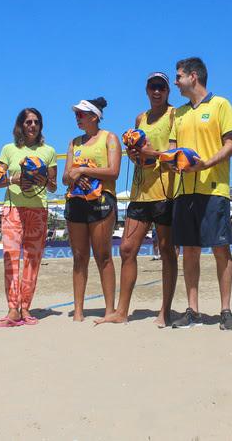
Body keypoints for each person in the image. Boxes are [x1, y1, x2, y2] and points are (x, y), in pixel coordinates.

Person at [95, 72, 178, 327]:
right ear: (146, 89)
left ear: (167, 91)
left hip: (166, 191)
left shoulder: (175, 115)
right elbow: (140, 155)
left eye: (161, 88)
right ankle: (122, 311)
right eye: (153, 87)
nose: (157, 92)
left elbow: (173, 153)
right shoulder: (140, 118)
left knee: (167, 252)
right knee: (127, 249)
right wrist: (134, 155)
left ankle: (165, 311)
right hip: (140, 193)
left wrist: (149, 153)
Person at [168, 57, 232, 330]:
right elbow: (174, 149)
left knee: (221, 249)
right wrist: (171, 161)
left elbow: (231, 145)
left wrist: (206, 164)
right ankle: (192, 310)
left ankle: (226, 311)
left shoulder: (221, 104)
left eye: (178, 77)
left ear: (193, 76)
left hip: (214, 188)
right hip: (184, 190)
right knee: (190, 251)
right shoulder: (180, 113)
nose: (175, 82)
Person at [0, 107, 57, 327]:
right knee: (10, 258)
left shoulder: (48, 151)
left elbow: (53, 185)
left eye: (36, 122)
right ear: (20, 125)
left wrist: (42, 180)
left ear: (41, 126)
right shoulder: (8, 149)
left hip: (38, 210)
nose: (32, 126)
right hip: (13, 209)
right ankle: (13, 308)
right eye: (28, 122)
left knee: (32, 260)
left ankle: (26, 307)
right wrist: (15, 178)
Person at [63, 97, 120, 321]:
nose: (77, 118)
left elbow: (113, 171)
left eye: (81, 114)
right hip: (76, 200)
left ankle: (109, 310)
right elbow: (66, 177)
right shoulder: (74, 142)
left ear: (94, 117)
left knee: (103, 255)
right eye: (76, 114)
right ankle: (78, 311)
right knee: (79, 257)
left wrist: (84, 170)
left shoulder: (109, 138)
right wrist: (76, 176)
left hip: (101, 201)